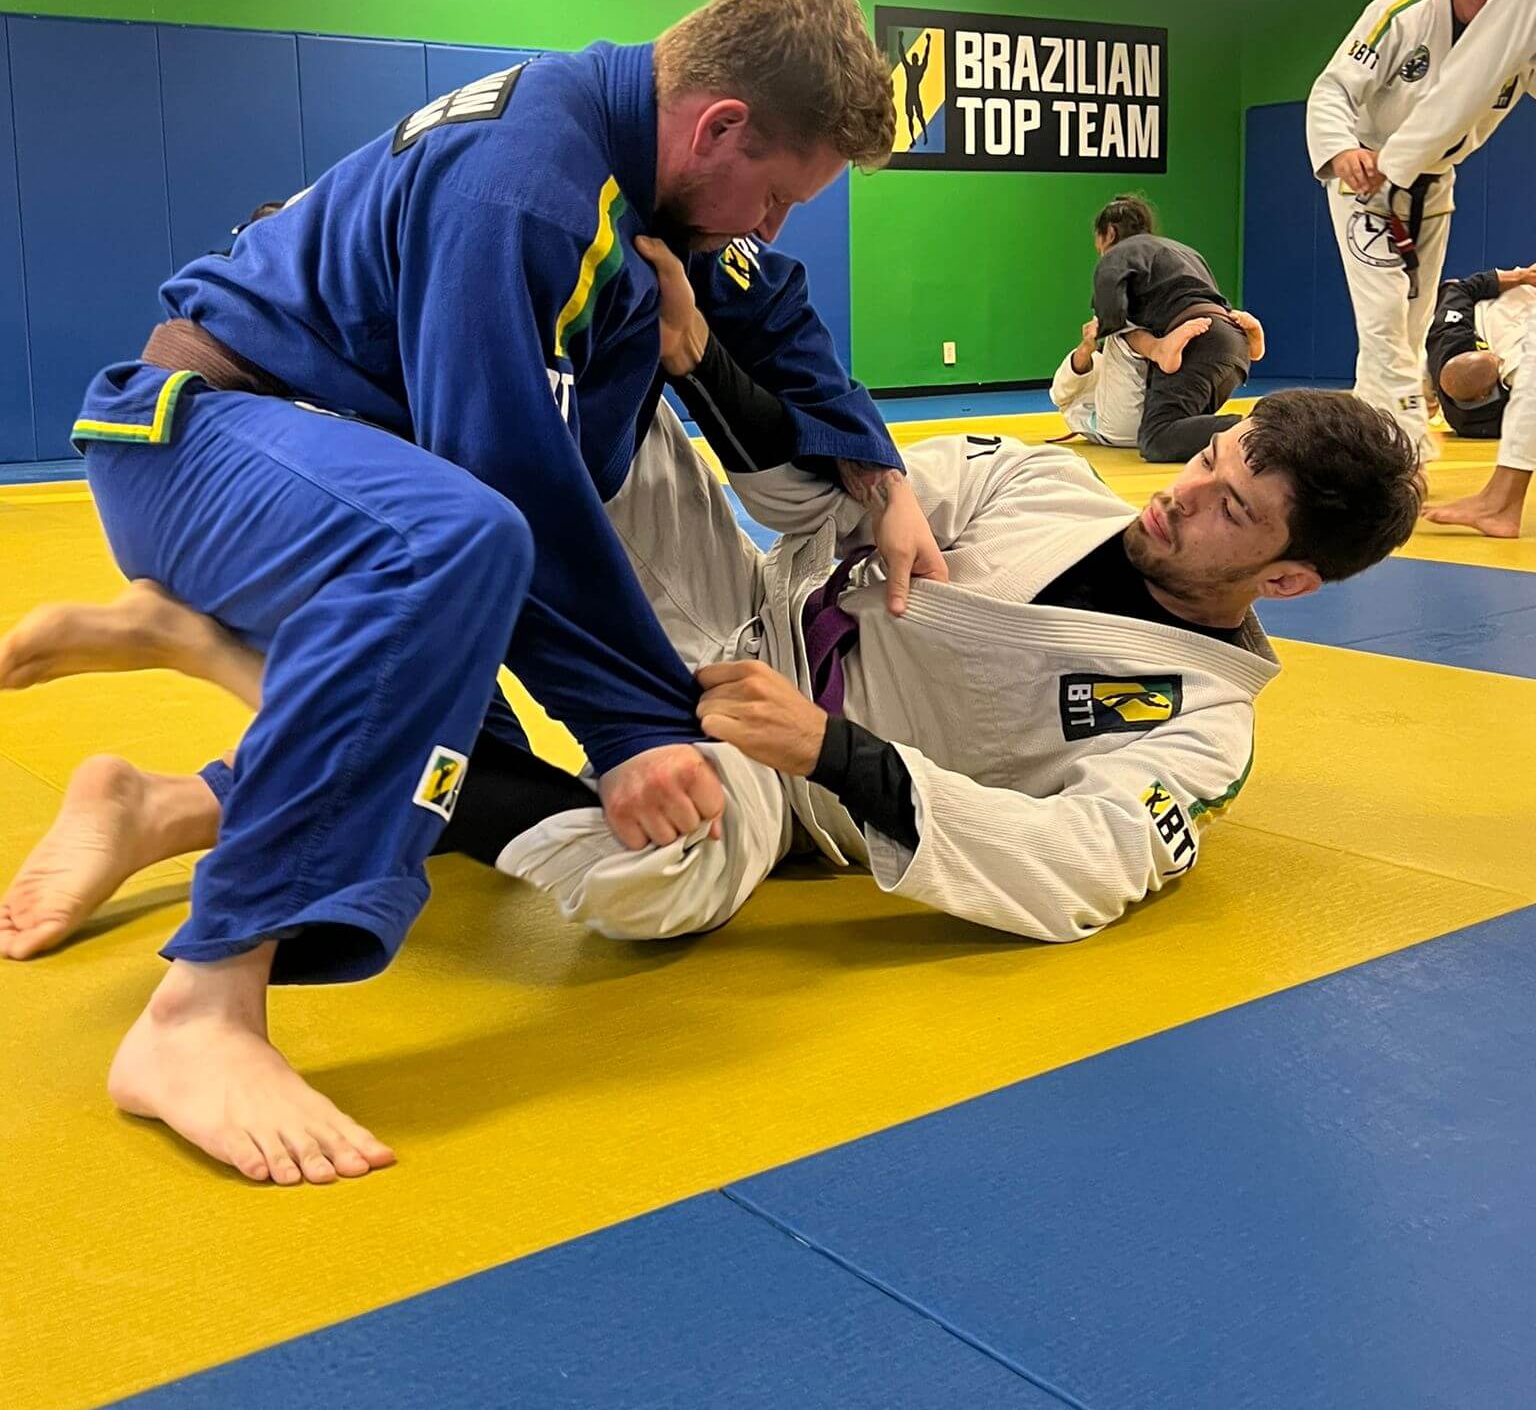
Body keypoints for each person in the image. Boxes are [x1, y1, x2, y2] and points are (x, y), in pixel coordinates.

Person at [26, 0, 946, 1188]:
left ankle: (153, 804)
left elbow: (770, 310)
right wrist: (625, 725)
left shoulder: (644, 175)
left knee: (443, 734)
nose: (770, 223)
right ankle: (202, 1007)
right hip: (202, 441)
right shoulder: (530, 186)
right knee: (454, 544)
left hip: (321, 466)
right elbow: (501, 467)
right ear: (718, 124)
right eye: (775, 194)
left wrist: (883, 476)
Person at [5, 246, 1423, 973]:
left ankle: (191, 709)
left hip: (791, 774)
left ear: (1288, 580)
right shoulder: (1048, 485)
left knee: (656, 886)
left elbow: (1078, 866)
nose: (1178, 499)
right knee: (577, 430)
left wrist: (830, 756)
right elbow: (820, 502)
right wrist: (694, 361)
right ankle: (274, 538)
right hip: (742, 603)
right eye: (1212, 463)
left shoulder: (1197, 729)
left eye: (1230, 510)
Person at [1305, 0, 1511, 457]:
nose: (1505, 2)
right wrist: (1341, 150)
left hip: (1435, 181)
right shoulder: (1405, 9)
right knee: (1384, 317)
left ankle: (1366, 435)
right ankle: (1403, 444)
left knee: (1412, 324)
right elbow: (1334, 89)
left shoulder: (1519, 30)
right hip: (1368, 177)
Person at [1368, 0, 1536, 534]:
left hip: (1408, 165)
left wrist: (1395, 169)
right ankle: (1501, 501)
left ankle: (1499, 503)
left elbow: (1465, 83)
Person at [1087, 194, 1254, 463]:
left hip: (1194, 342)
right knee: (1183, 426)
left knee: (1156, 438)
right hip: (1233, 341)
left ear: (1110, 232)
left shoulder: (1117, 254)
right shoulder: (1186, 251)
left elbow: (1110, 315)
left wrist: (1113, 337)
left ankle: (1257, 426)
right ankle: (1253, 426)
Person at [1051, 308, 1267, 447]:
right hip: (1118, 429)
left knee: (1178, 374)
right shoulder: (1077, 402)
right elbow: (1062, 389)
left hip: (1157, 419)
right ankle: (1160, 349)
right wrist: (1086, 346)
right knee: (1119, 331)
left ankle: (1248, 350)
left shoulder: (1113, 378)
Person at [1425, 264, 1536, 439]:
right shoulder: (1518, 380)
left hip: (1498, 305)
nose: (1496, 356)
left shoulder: (1447, 346)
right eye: (1497, 362)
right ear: (1487, 393)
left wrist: (1522, 276)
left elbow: (1462, 289)